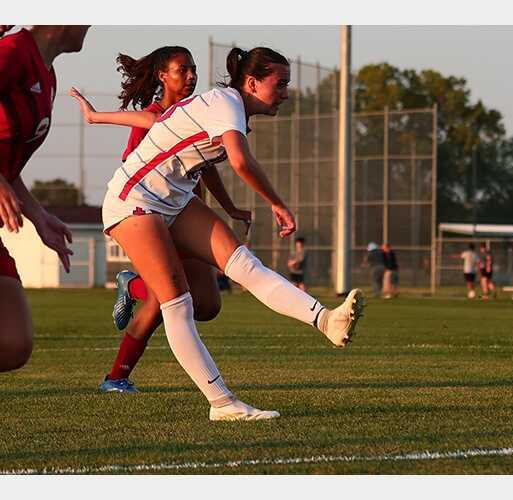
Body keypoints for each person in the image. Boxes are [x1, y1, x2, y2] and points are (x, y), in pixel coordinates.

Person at [99, 46, 365, 421]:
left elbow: (205, 164)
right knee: (178, 303)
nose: (286, 92)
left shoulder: (231, 109)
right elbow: (240, 160)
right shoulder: (226, 101)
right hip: (134, 200)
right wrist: (277, 203)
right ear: (252, 82)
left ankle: (326, 320)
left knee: (244, 268)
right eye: (281, 83)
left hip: (173, 200)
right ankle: (221, 403)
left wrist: (230, 207)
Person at [70, 46, 251, 394]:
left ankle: (132, 285)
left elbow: (208, 169)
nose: (191, 76)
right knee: (164, 300)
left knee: (208, 305)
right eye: (182, 69)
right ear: (162, 76)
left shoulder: (200, 112)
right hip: (152, 217)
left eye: (194, 69)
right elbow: (133, 174)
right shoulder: (152, 119)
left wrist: (229, 207)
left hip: (188, 216)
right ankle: (116, 377)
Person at [0, 26, 90, 372]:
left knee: (13, 343)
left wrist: (38, 213)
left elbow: (9, 160)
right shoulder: (13, 52)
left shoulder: (47, 73)